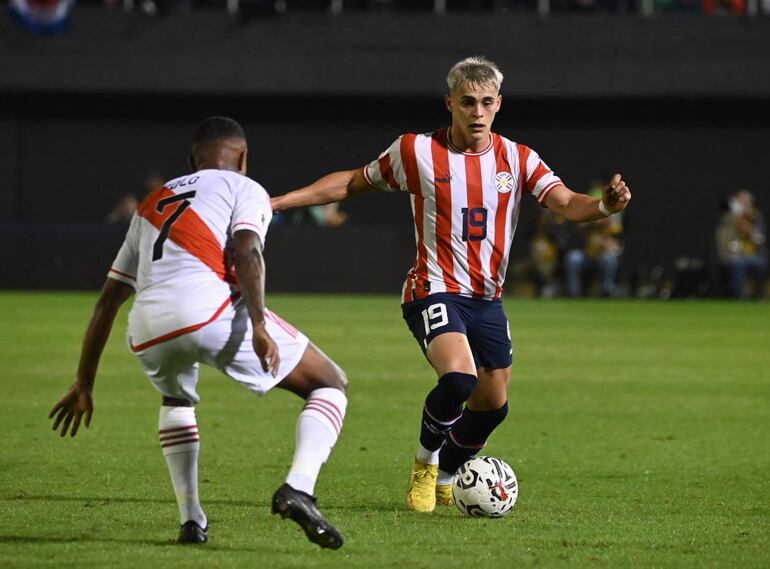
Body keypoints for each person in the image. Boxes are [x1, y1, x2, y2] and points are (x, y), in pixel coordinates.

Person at [270, 56, 631, 513]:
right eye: (467, 102)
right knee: (459, 378)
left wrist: (604, 206)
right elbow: (351, 183)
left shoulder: (518, 158)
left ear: (499, 104)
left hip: (487, 300)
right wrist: (279, 202)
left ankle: (446, 476)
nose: (477, 112)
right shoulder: (416, 152)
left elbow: (565, 202)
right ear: (450, 103)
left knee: (493, 405)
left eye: (486, 102)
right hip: (432, 288)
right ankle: (425, 464)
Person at [49, 117, 348, 549]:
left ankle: (191, 520)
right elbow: (246, 251)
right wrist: (259, 324)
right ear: (243, 157)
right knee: (330, 384)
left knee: (176, 399)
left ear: (192, 160)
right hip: (208, 311)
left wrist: (84, 382)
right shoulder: (244, 187)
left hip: (147, 327)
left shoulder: (152, 203)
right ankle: (299, 488)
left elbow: (108, 301)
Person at [715, 189, 767, 299]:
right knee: (738, 262)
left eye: (747, 202)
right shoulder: (729, 218)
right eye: (741, 201)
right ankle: (740, 296)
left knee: (761, 263)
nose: (744, 205)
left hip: (754, 256)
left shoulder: (757, 217)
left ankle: (759, 295)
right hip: (735, 255)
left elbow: (760, 239)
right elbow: (726, 241)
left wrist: (749, 230)